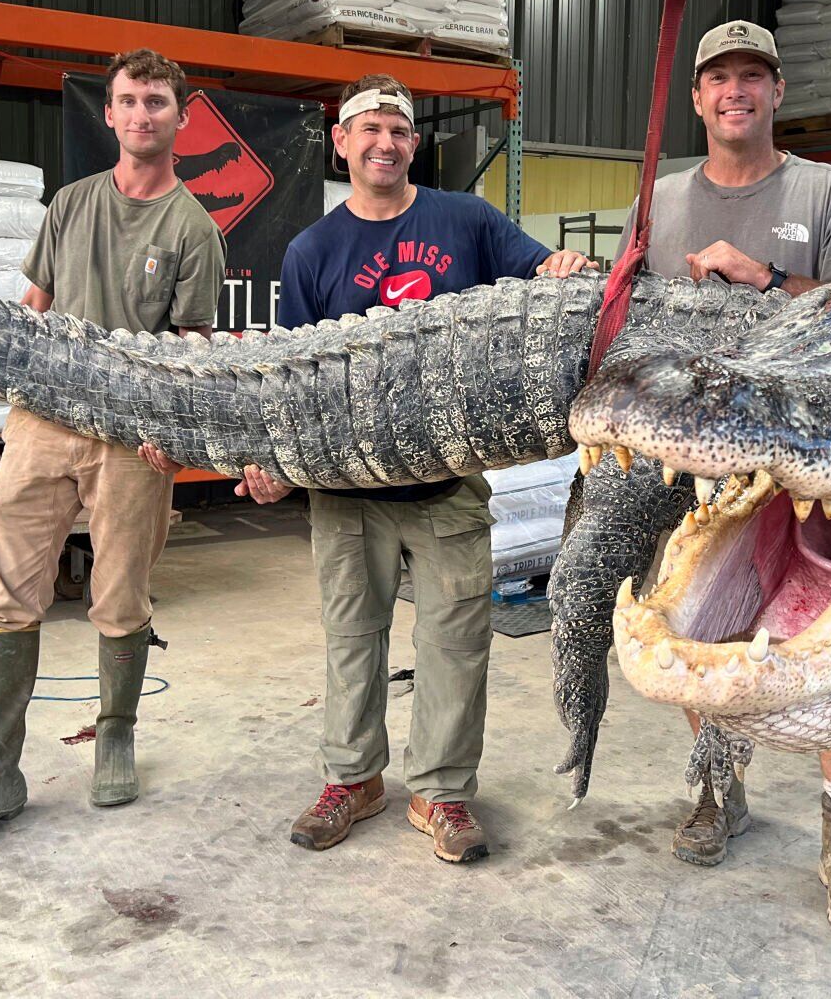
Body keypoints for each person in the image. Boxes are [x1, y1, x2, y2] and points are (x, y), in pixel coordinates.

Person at [235, 72, 593, 865]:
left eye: (398, 129)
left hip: (446, 484)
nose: (384, 142)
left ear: (414, 142)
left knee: (458, 639)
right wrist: (275, 465)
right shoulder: (312, 250)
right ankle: (353, 779)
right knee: (352, 638)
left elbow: (540, 274)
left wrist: (562, 266)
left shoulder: (465, 219)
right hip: (344, 493)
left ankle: (441, 792)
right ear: (342, 143)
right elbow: (290, 380)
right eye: (368, 129)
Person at [0, 48, 226, 852]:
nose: (142, 114)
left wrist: (171, 431)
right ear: (110, 114)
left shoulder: (193, 227)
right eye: (128, 100)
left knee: (121, 596)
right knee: (5, 595)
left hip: (131, 438)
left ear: (181, 118)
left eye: (157, 101)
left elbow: (191, 348)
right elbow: (31, 313)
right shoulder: (72, 203)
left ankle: (116, 731)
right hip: (42, 422)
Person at [625, 20, 831, 933]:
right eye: (717, 78)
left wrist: (769, 279)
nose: (734, 91)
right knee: (693, 620)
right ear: (697, 98)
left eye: (752, 76)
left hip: (809, 463)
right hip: (699, 458)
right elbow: (629, 318)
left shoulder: (829, 191)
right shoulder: (658, 201)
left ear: (778, 92)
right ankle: (716, 788)